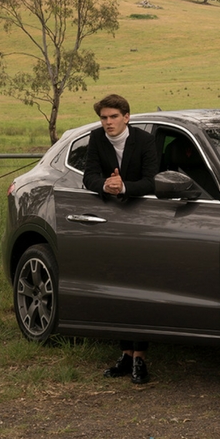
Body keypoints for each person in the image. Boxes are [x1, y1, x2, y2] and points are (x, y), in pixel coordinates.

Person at [82, 93, 159, 384]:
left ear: (126, 117)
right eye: (103, 117)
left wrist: (124, 186)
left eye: (113, 116)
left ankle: (141, 357)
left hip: (141, 219)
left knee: (140, 286)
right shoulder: (96, 139)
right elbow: (87, 176)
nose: (108, 122)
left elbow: (152, 180)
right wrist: (105, 184)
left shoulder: (144, 140)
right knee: (117, 286)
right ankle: (125, 355)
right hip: (110, 221)